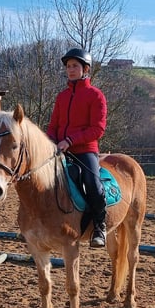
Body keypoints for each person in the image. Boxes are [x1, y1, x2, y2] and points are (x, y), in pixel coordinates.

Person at [46, 48, 108, 247]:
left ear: (85, 69)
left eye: (75, 66)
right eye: (68, 66)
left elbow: (97, 129)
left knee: (93, 184)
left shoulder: (96, 95)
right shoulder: (61, 97)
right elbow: (53, 126)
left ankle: (100, 226)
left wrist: (70, 141)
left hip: (85, 150)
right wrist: (51, 141)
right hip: (60, 150)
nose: (70, 70)